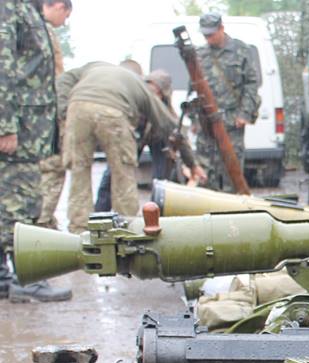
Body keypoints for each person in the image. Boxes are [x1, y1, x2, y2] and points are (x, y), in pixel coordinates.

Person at [0, 0, 71, 302]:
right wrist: (5, 124)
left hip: (28, 128)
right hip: (20, 129)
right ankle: (26, 279)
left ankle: (5, 279)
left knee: (8, 201)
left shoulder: (26, 9)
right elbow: (2, 66)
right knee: (21, 203)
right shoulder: (11, 8)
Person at [58, 61, 181, 232]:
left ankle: (79, 229)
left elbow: (64, 79)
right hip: (113, 112)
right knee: (123, 173)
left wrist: (64, 111)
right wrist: (192, 164)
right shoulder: (138, 83)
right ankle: (127, 227)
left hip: (78, 108)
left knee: (79, 171)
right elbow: (168, 125)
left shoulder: (95, 66)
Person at [94, 69, 206, 212]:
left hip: (156, 139)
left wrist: (193, 165)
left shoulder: (163, 113)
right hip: (131, 138)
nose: (152, 94)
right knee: (112, 175)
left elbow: (178, 136)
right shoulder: (132, 103)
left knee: (161, 182)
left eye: (156, 91)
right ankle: (100, 214)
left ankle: (157, 212)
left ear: (162, 94)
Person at [196, 12, 260, 192]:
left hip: (232, 121)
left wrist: (245, 113)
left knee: (232, 170)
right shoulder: (200, 55)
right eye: (205, 35)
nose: (208, 38)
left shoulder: (241, 50)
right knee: (206, 171)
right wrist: (195, 121)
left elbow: (251, 84)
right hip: (207, 124)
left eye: (211, 34)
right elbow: (194, 89)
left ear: (221, 29)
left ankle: (232, 204)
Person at [36, 0, 72, 231]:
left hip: (33, 114)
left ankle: (44, 220)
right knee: (54, 167)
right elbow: (55, 77)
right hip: (44, 115)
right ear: (59, 6)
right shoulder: (44, 31)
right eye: (66, 16)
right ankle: (42, 221)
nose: (64, 22)